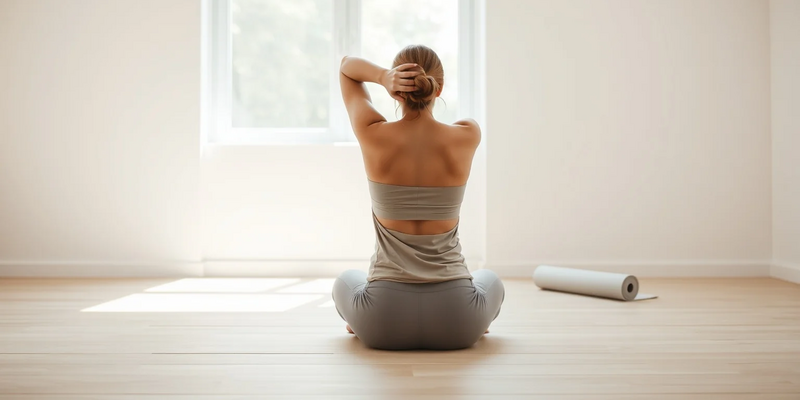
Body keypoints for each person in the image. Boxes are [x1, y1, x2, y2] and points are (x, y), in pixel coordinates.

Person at [332, 45, 504, 350]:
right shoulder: (467, 134)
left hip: (381, 321)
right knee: (489, 278)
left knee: (346, 279)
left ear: (396, 93)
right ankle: (481, 322)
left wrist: (382, 76)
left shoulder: (372, 132)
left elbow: (347, 67)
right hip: (459, 321)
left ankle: (357, 321)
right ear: (439, 88)